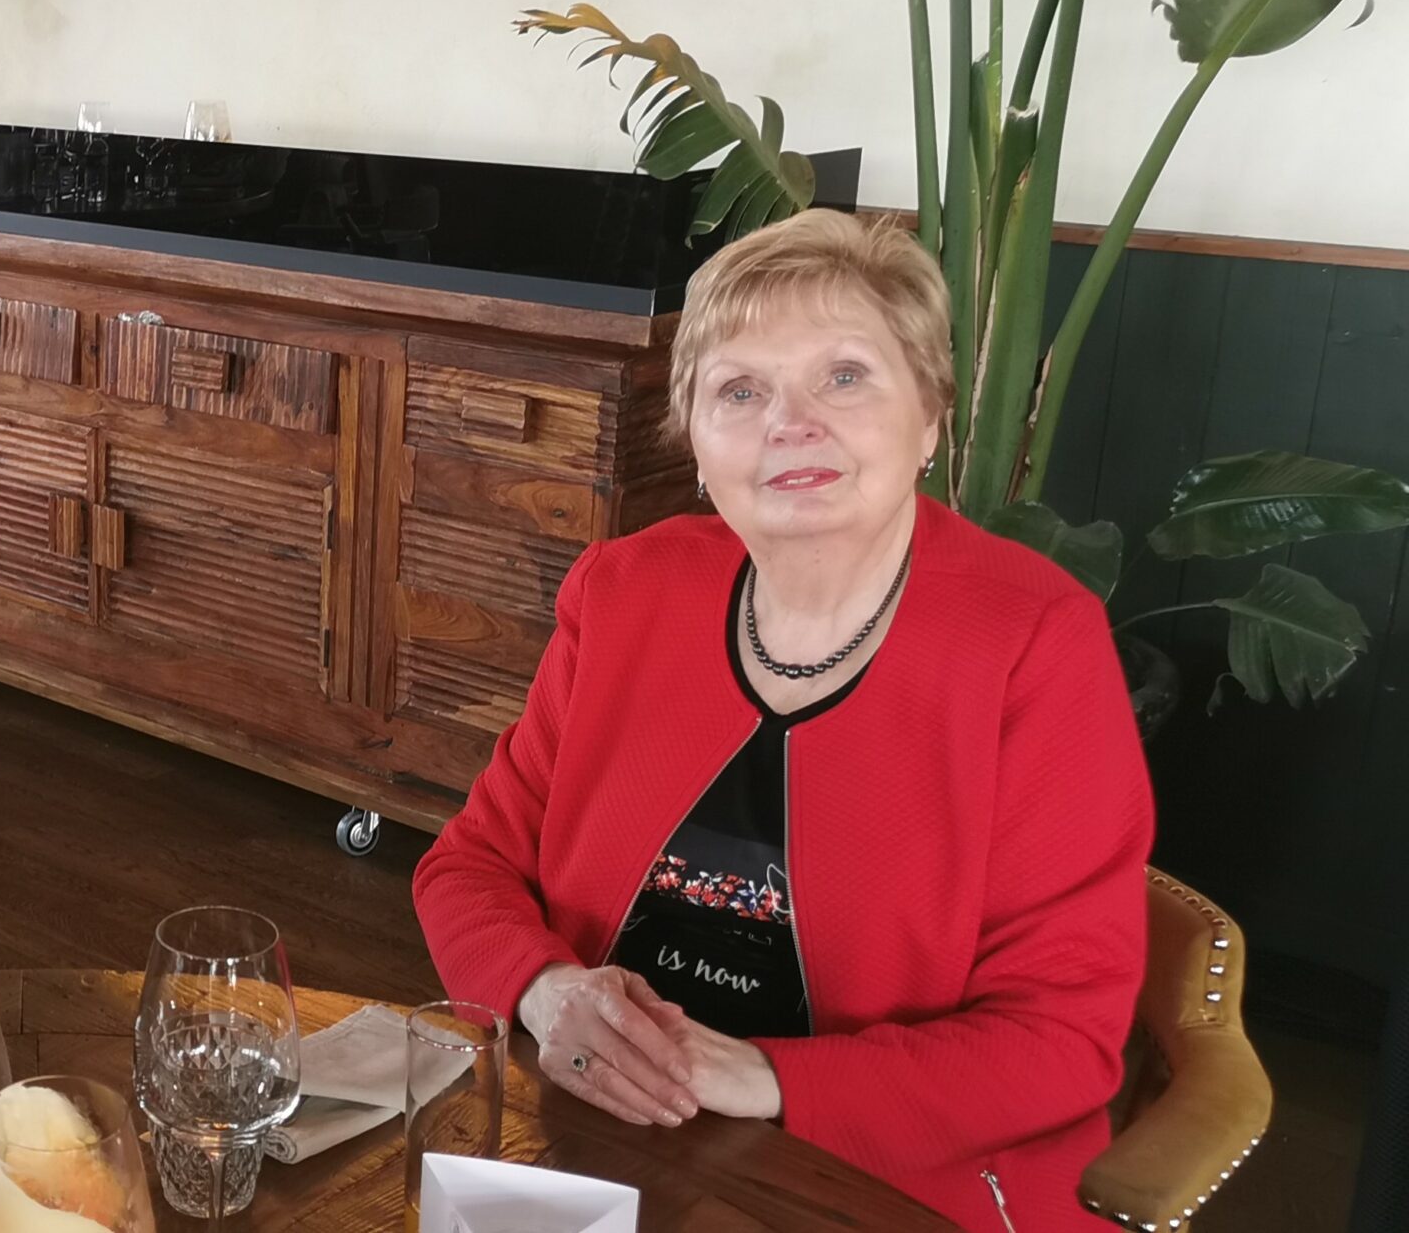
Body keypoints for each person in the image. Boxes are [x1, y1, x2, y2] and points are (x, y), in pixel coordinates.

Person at [412, 209, 1153, 1232]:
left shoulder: (1034, 643)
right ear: (696, 443)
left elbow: (1058, 1044)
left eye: (844, 376)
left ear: (929, 417)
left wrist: (758, 1074)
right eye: (740, 391)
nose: (790, 423)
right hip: (598, 1141)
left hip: (888, 1188)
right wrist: (544, 991)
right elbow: (469, 865)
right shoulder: (624, 591)